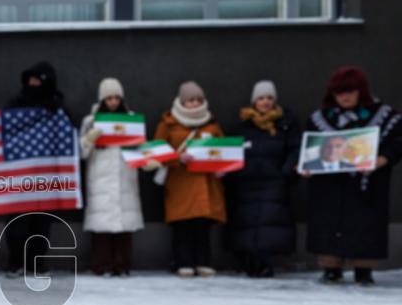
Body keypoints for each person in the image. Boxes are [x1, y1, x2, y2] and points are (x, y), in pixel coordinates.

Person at [302, 66, 402, 285]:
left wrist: (382, 159)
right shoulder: (321, 118)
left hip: (366, 185)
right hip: (329, 186)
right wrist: (305, 165)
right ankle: (331, 267)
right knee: (329, 222)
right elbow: (307, 149)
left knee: (364, 223)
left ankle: (363, 269)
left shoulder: (384, 115)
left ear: (361, 91)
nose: (344, 97)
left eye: (350, 91)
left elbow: (397, 143)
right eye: (339, 92)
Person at [150, 81, 226, 278]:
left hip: (206, 183)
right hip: (180, 182)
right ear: (183, 101)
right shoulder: (168, 123)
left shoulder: (212, 123)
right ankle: (183, 262)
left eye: (199, 99)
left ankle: (203, 262)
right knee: (182, 225)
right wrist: (177, 158)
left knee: (203, 225)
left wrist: (223, 166)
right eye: (191, 100)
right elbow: (156, 151)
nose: (195, 103)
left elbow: (223, 149)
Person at [225, 80, 301, 278]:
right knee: (247, 224)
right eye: (261, 98)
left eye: (269, 98)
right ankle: (249, 261)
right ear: (254, 101)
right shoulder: (241, 128)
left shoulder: (286, 125)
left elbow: (295, 149)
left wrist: (285, 172)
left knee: (270, 224)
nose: (265, 102)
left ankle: (266, 262)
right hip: (245, 184)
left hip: (274, 183)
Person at [3, 61, 67, 275]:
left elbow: (66, 135)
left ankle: (36, 262)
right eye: (29, 80)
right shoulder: (15, 106)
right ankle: (16, 261)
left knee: (41, 223)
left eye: (37, 81)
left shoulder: (56, 109)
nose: (32, 84)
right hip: (19, 175)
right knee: (16, 223)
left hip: (44, 176)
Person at [79, 78, 144, 276]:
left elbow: (141, 148)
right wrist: (88, 140)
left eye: (116, 97)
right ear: (102, 100)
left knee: (124, 227)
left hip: (125, 178)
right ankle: (101, 265)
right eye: (109, 98)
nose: (113, 102)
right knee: (102, 228)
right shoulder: (90, 121)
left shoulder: (132, 119)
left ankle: (122, 265)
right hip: (101, 179)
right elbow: (81, 153)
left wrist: (147, 159)